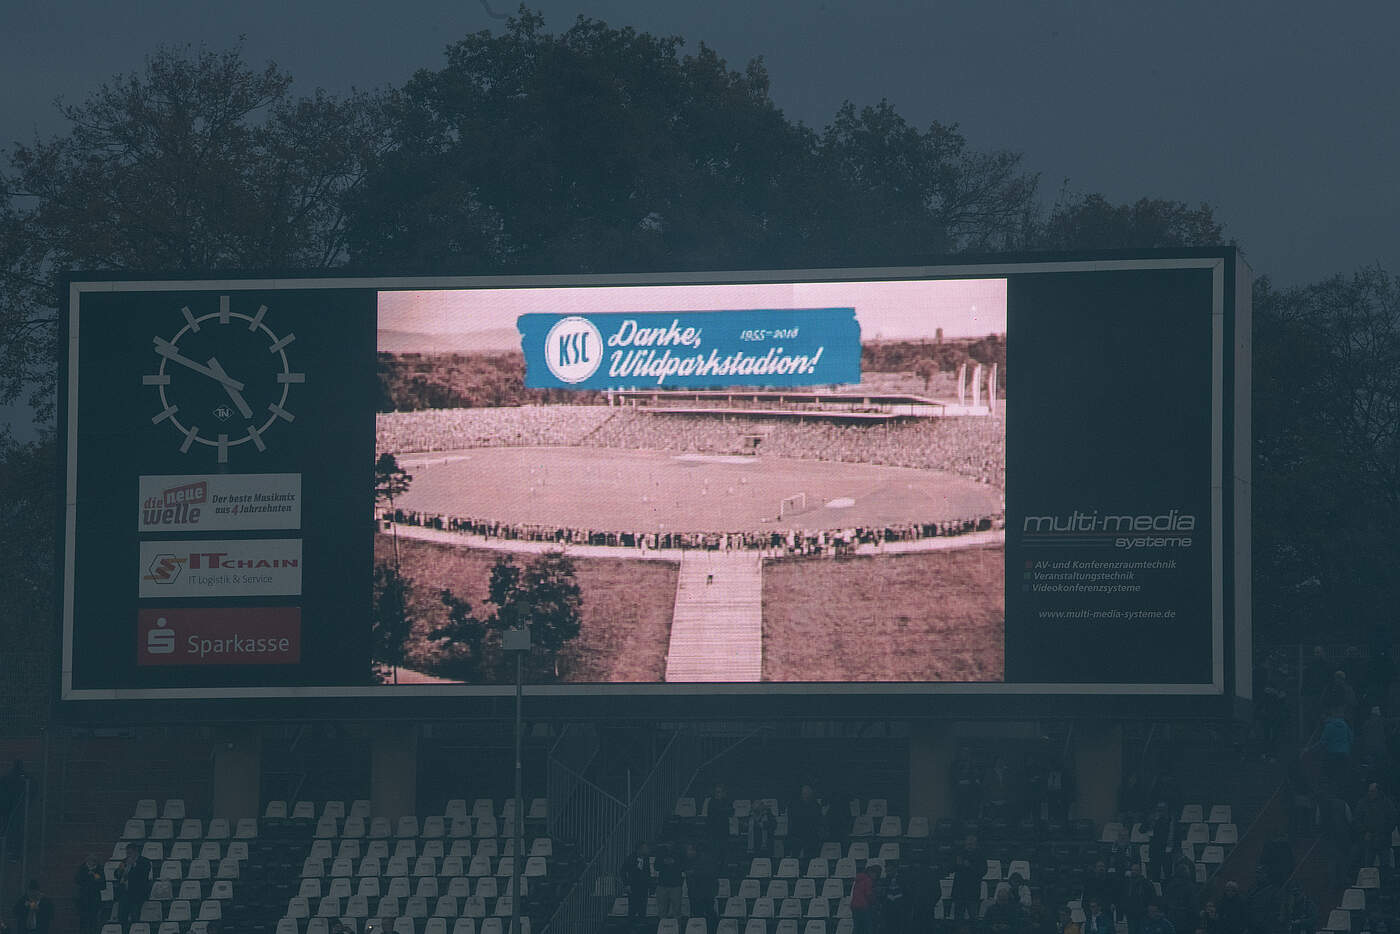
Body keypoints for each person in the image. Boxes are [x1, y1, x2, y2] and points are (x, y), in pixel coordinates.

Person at [1354, 782, 1398, 868]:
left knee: (1385, 864)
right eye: (1369, 791)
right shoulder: (1363, 803)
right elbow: (1357, 819)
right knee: (1368, 865)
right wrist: (1364, 832)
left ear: (1378, 791)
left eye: (1372, 791)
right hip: (1369, 839)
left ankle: (1385, 876)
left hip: (1384, 839)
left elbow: (1393, 819)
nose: (1370, 793)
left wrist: (1385, 832)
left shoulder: (1387, 803)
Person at [685, 843, 719, 934]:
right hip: (698, 893)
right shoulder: (692, 861)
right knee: (702, 913)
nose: (687, 852)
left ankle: (711, 930)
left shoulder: (704, 860)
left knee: (707, 913)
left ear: (694, 851)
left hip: (704, 893)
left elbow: (709, 874)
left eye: (689, 850)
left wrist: (693, 872)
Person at [950, 834, 984, 922]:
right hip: (959, 892)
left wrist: (970, 866)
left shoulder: (980, 855)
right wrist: (956, 864)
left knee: (973, 918)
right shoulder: (959, 854)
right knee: (958, 918)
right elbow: (951, 869)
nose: (969, 846)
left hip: (972, 892)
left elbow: (983, 871)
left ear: (976, 844)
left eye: (971, 844)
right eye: (968, 844)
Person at [118, 847, 152, 927]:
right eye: (127, 853)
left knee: (135, 917)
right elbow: (116, 874)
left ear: (136, 852)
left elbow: (144, 874)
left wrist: (134, 865)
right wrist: (120, 870)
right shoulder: (124, 861)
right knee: (122, 917)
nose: (128, 855)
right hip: (125, 893)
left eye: (130, 853)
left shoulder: (145, 861)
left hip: (137, 894)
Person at [788, 785, 823, 862]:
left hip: (811, 837)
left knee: (811, 859)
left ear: (811, 794)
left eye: (808, 794)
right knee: (795, 859)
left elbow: (818, 821)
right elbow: (792, 821)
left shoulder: (816, 806)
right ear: (801, 794)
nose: (806, 795)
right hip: (797, 836)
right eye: (804, 793)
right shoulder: (794, 805)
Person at [623, 842, 651, 926]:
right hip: (633, 887)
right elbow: (622, 871)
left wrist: (649, 884)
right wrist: (626, 884)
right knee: (632, 909)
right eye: (645, 848)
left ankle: (641, 927)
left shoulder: (646, 858)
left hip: (644, 887)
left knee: (643, 909)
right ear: (639, 849)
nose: (647, 849)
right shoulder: (631, 858)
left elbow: (647, 872)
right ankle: (631, 927)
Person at [73, 857, 104, 934]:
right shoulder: (82, 869)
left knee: (93, 920)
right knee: (83, 920)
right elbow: (77, 880)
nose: (90, 863)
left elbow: (103, 885)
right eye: (88, 862)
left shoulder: (99, 870)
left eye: (93, 862)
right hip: (83, 899)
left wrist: (95, 876)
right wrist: (87, 874)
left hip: (94, 899)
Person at [654, 843, 684, 920]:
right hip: (662, 885)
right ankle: (662, 925)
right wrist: (663, 862)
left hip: (676, 885)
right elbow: (656, 867)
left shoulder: (680, 853)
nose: (669, 845)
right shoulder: (660, 853)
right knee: (662, 910)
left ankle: (677, 926)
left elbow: (683, 867)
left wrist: (674, 862)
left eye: (671, 843)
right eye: (667, 843)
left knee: (677, 910)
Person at [850, 862, 881, 934]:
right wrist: (876, 902)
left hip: (854, 906)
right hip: (864, 907)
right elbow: (869, 894)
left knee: (857, 927)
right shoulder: (868, 880)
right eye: (877, 874)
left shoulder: (859, 880)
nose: (877, 877)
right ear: (871, 872)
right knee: (868, 927)